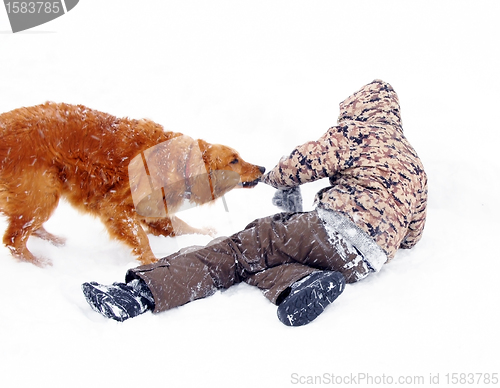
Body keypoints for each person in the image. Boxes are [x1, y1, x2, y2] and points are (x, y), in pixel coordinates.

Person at [82, 80, 427, 326]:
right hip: (365, 260)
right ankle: (297, 283)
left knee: (238, 250)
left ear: (359, 109)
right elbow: (412, 236)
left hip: (331, 230)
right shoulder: (414, 162)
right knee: (263, 260)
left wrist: (273, 177)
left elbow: (303, 163)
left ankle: (137, 295)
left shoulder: (357, 132)